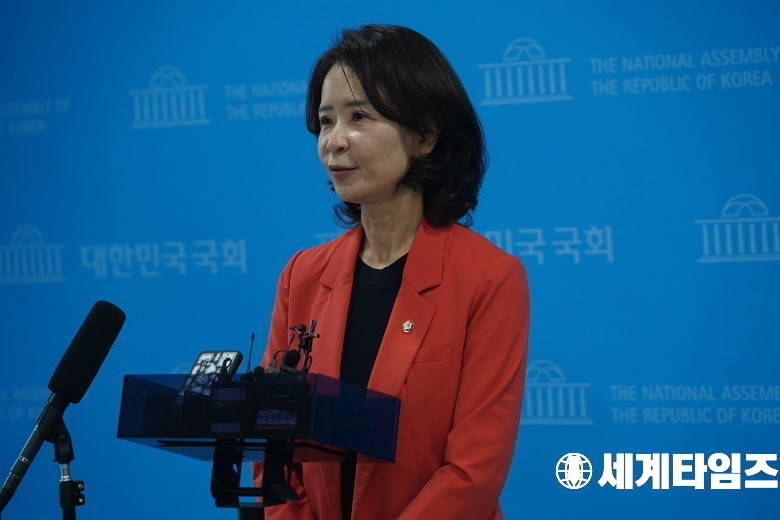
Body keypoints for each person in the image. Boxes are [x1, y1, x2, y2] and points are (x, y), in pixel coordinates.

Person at [255, 24, 529, 520]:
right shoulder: (302, 275)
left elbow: (474, 470)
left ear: (424, 136)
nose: (334, 142)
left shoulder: (489, 277)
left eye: (358, 117)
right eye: (325, 121)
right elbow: (272, 448)